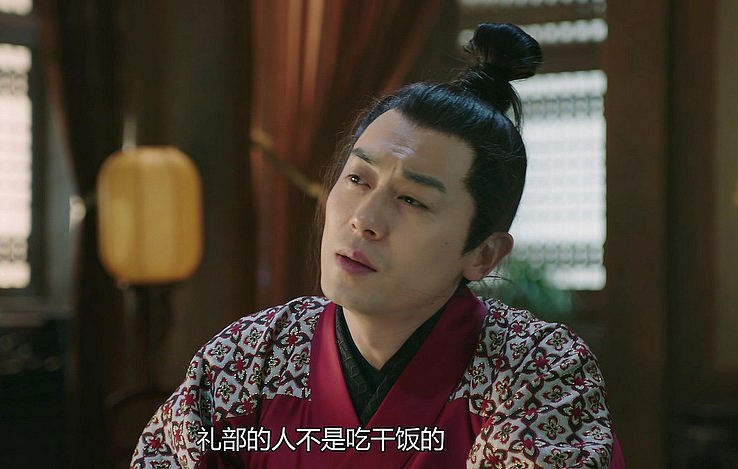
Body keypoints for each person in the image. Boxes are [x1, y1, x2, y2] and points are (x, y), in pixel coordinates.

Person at [131, 22, 625, 468]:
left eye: (412, 199)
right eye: (357, 179)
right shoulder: (249, 358)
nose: (365, 219)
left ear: (484, 254)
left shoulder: (536, 371)